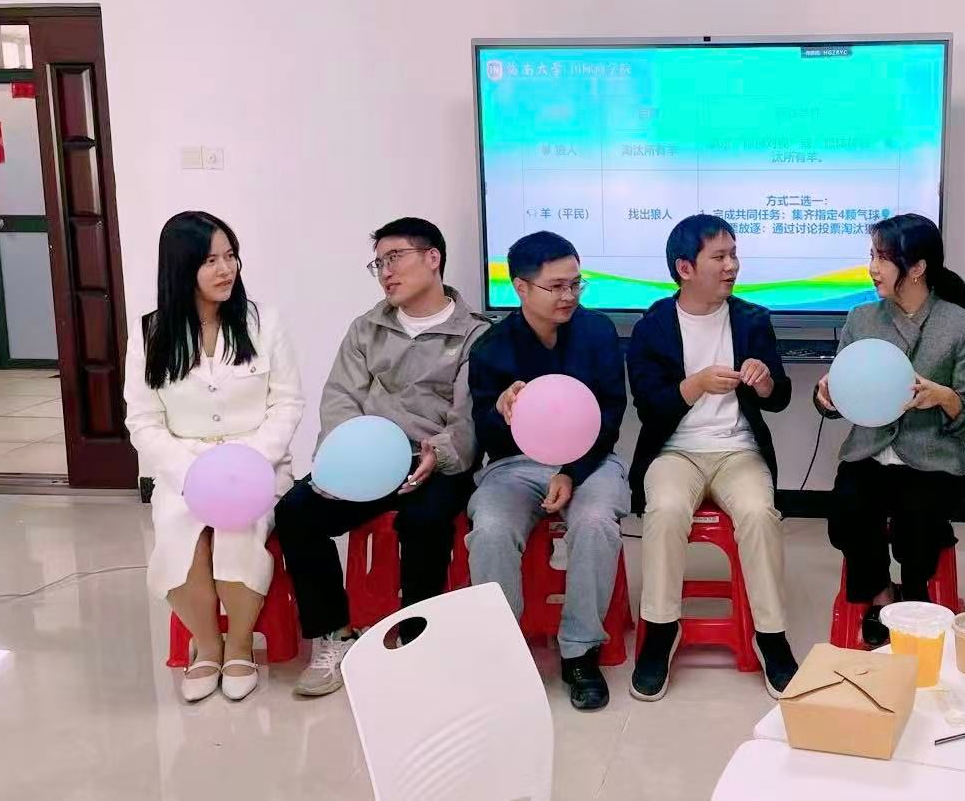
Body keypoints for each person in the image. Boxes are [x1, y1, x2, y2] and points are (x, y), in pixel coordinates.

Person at [273, 218, 490, 697]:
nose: (385, 272)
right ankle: (334, 636)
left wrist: (441, 454)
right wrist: (341, 458)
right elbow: (340, 399)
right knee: (295, 512)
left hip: (434, 460)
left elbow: (468, 418)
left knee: (424, 520)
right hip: (368, 458)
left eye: (395, 258)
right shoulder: (366, 329)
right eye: (378, 263)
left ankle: (416, 642)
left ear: (432, 258)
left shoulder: (473, 335)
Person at [124, 211, 305, 703]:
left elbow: (287, 403)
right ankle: (207, 646)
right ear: (181, 268)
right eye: (210, 260)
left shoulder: (263, 323)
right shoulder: (150, 332)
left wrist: (249, 463)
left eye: (231, 256)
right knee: (179, 540)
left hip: (256, 464)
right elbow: (143, 420)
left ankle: (240, 644)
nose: (226, 269)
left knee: (237, 535)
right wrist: (192, 473)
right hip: (183, 467)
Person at [626, 215, 797, 700]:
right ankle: (661, 631)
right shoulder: (653, 326)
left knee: (759, 513)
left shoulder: (752, 319)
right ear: (685, 268)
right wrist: (696, 385)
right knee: (664, 510)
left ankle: (772, 636)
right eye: (719, 257)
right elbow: (650, 407)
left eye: (734, 254)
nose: (731, 266)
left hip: (738, 450)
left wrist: (765, 383)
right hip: (675, 451)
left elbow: (780, 397)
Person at [466, 231, 630, 712]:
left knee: (596, 522)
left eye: (576, 284)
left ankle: (580, 652)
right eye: (556, 286)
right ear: (520, 287)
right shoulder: (492, 346)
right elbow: (483, 432)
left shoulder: (598, 332)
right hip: (514, 466)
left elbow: (611, 414)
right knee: (491, 529)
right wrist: (501, 411)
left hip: (590, 461)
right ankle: (502, 654)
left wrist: (572, 472)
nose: (569, 296)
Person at [815, 213, 965, 647]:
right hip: (870, 453)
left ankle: (915, 594)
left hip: (933, 459)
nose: (872, 268)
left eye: (882, 258)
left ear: (917, 268)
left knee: (918, 521)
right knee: (847, 513)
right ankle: (881, 596)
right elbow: (841, 396)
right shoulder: (861, 319)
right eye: (871, 256)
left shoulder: (960, 326)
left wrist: (946, 398)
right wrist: (827, 397)